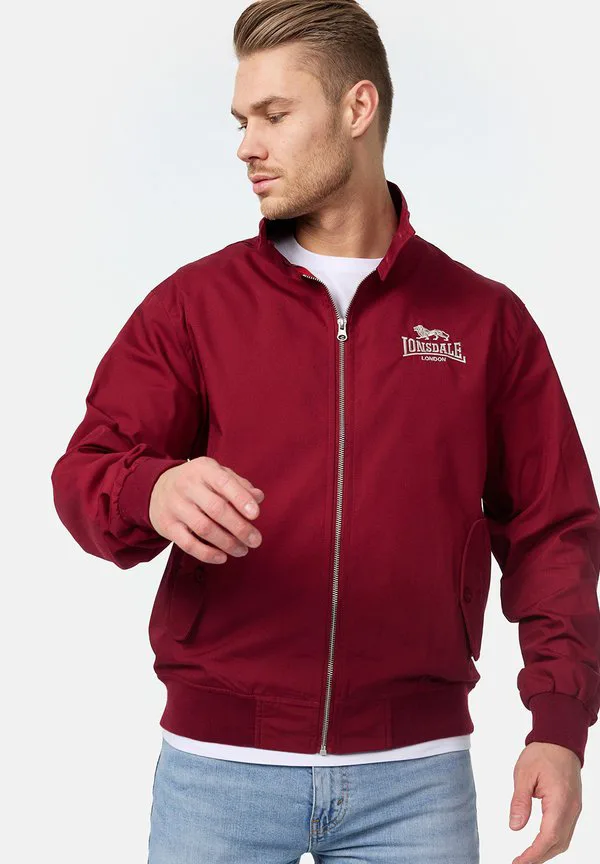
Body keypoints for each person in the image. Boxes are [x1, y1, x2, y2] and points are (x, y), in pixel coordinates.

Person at [51, 1, 600, 862]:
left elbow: (552, 529)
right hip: (218, 777)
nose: (246, 146)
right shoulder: (195, 307)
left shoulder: (484, 320)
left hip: (415, 782)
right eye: (241, 121)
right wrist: (150, 490)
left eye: (273, 115)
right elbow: (86, 471)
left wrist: (559, 725)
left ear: (357, 108)